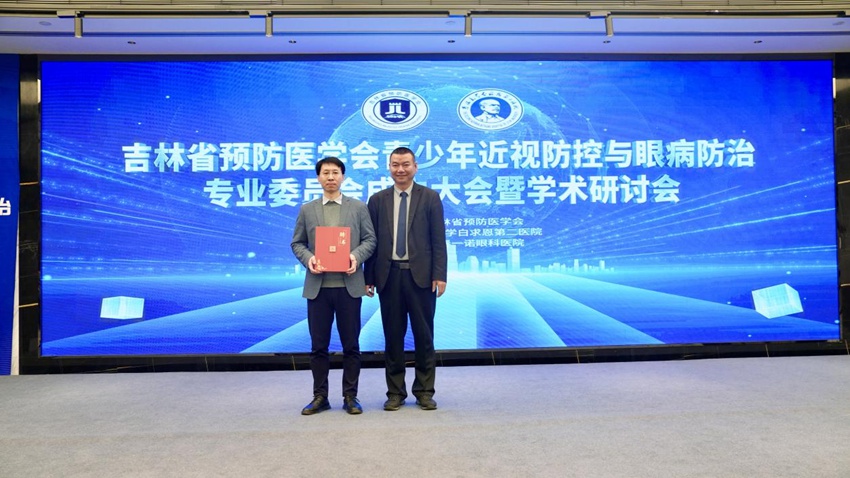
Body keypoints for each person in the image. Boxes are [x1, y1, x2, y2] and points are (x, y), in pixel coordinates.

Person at [291, 156, 376, 415]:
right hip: (318, 288)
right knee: (319, 347)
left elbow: (370, 240)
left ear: (343, 177)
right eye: (325, 173)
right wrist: (309, 259)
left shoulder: (358, 207)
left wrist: (355, 257)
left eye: (335, 172)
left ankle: (351, 396)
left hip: (349, 287)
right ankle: (320, 397)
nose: (330, 177)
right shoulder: (307, 209)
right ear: (318, 178)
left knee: (351, 346)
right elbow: (297, 243)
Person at [365, 146, 447, 411]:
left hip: (421, 278)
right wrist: (368, 277)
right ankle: (395, 392)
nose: (400, 169)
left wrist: (440, 275)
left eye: (405, 164)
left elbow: (438, 240)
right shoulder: (377, 200)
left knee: (424, 336)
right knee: (393, 337)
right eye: (395, 165)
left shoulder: (430, 197)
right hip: (388, 277)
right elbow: (371, 243)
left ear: (415, 167)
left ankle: (424, 391)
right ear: (389, 167)